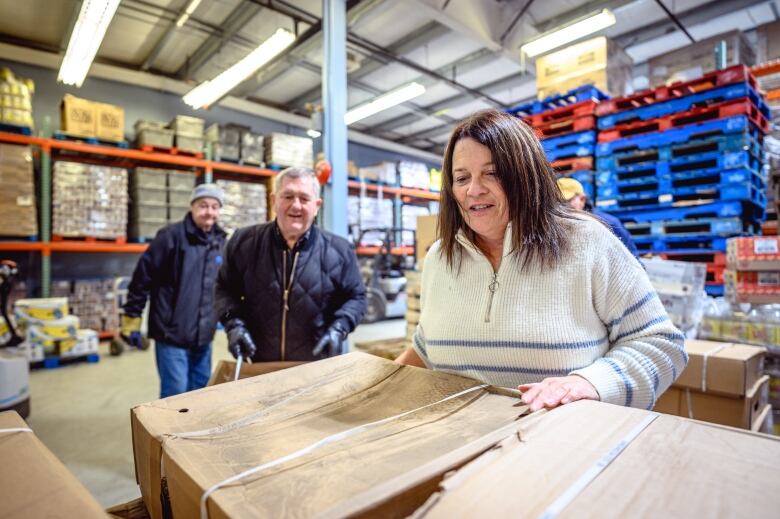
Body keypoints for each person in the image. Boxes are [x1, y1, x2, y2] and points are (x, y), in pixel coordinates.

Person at [395, 109, 687, 412]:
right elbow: (426, 348)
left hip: (562, 448)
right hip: (462, 446)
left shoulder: (587, 243)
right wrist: (374, 383)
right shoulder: (440, 258)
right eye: (461, 178)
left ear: (524, 175)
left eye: (492, 173)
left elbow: (660, 344)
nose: (474, 189)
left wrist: (589, 382)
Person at [214, 167, 366, 362]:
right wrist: (234, 324)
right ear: (273, 201)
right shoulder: (243, 243)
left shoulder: (340, 250)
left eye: (304, 198)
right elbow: (224, 288)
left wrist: (339, 328)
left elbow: (356, 297)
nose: (296, 206)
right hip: (261, 364)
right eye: (288, 196)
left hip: (317, 366)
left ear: (317, 205)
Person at [122, 184, 226, 398]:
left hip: (204, 335)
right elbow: (142, 277)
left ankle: (192, 433)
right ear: (192, 207)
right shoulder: (170, 237)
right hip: (171, 334)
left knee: (200, 392)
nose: (209, 212)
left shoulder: (221, 242)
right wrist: (132, 318)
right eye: (203, 205)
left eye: (215, 207)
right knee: (176, 394)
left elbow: (224, 286)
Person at [557, 177, 640, 257]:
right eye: (557, 202)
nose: (561, 207)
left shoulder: (608, 224)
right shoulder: (556, 227)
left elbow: (633, 258)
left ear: (582, 199)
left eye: (566, 202)